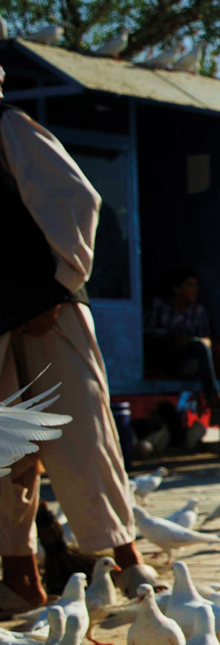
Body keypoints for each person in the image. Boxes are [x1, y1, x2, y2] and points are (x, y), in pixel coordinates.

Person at [0, 85, 145, 609]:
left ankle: (129, 565)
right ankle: (21, 579)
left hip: (48, 310)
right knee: (5, 453)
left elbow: (77, 198)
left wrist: (60, 284)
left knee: (83, 435)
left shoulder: (8, 126)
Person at [143, 268, 220, 411]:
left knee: (203, 347)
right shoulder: (160, 305)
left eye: (196, 286)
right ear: (176, 289)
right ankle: (212, 396)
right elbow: (147, 332)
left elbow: (207, 337)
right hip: (165, 356)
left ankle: (213, 396)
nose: (195, 290)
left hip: (187, 359)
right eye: (190, 285)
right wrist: (172, 336)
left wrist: (195, 341)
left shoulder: (198, 310)